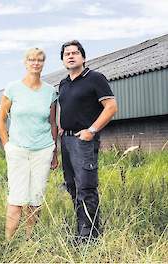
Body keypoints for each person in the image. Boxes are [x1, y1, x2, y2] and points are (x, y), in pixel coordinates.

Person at [58, 40, 117, 242]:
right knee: (72, 186)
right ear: (63, 59)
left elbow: (111, 107)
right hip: (66, 141)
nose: (71, 56)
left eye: (75, 52)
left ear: (83, 57)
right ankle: (81, 230)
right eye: (67, 54)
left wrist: (91, 130)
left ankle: (89, 238)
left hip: (84, 141)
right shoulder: (63, 84)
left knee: (86, 187)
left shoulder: (95, 78)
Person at [0, 48, 59, 240]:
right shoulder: (13, 88)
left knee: (36, 198)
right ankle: (8, 242)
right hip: (18, 150)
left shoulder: (50, 92)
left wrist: (54, 151)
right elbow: (0, 120)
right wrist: (7, 145)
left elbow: (52, 123)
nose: (35, 63)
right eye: (31, 59)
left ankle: (29, 240)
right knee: (16, 199)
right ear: (25, 63)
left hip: (43, 150)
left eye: (39, 60)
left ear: (43, 63)